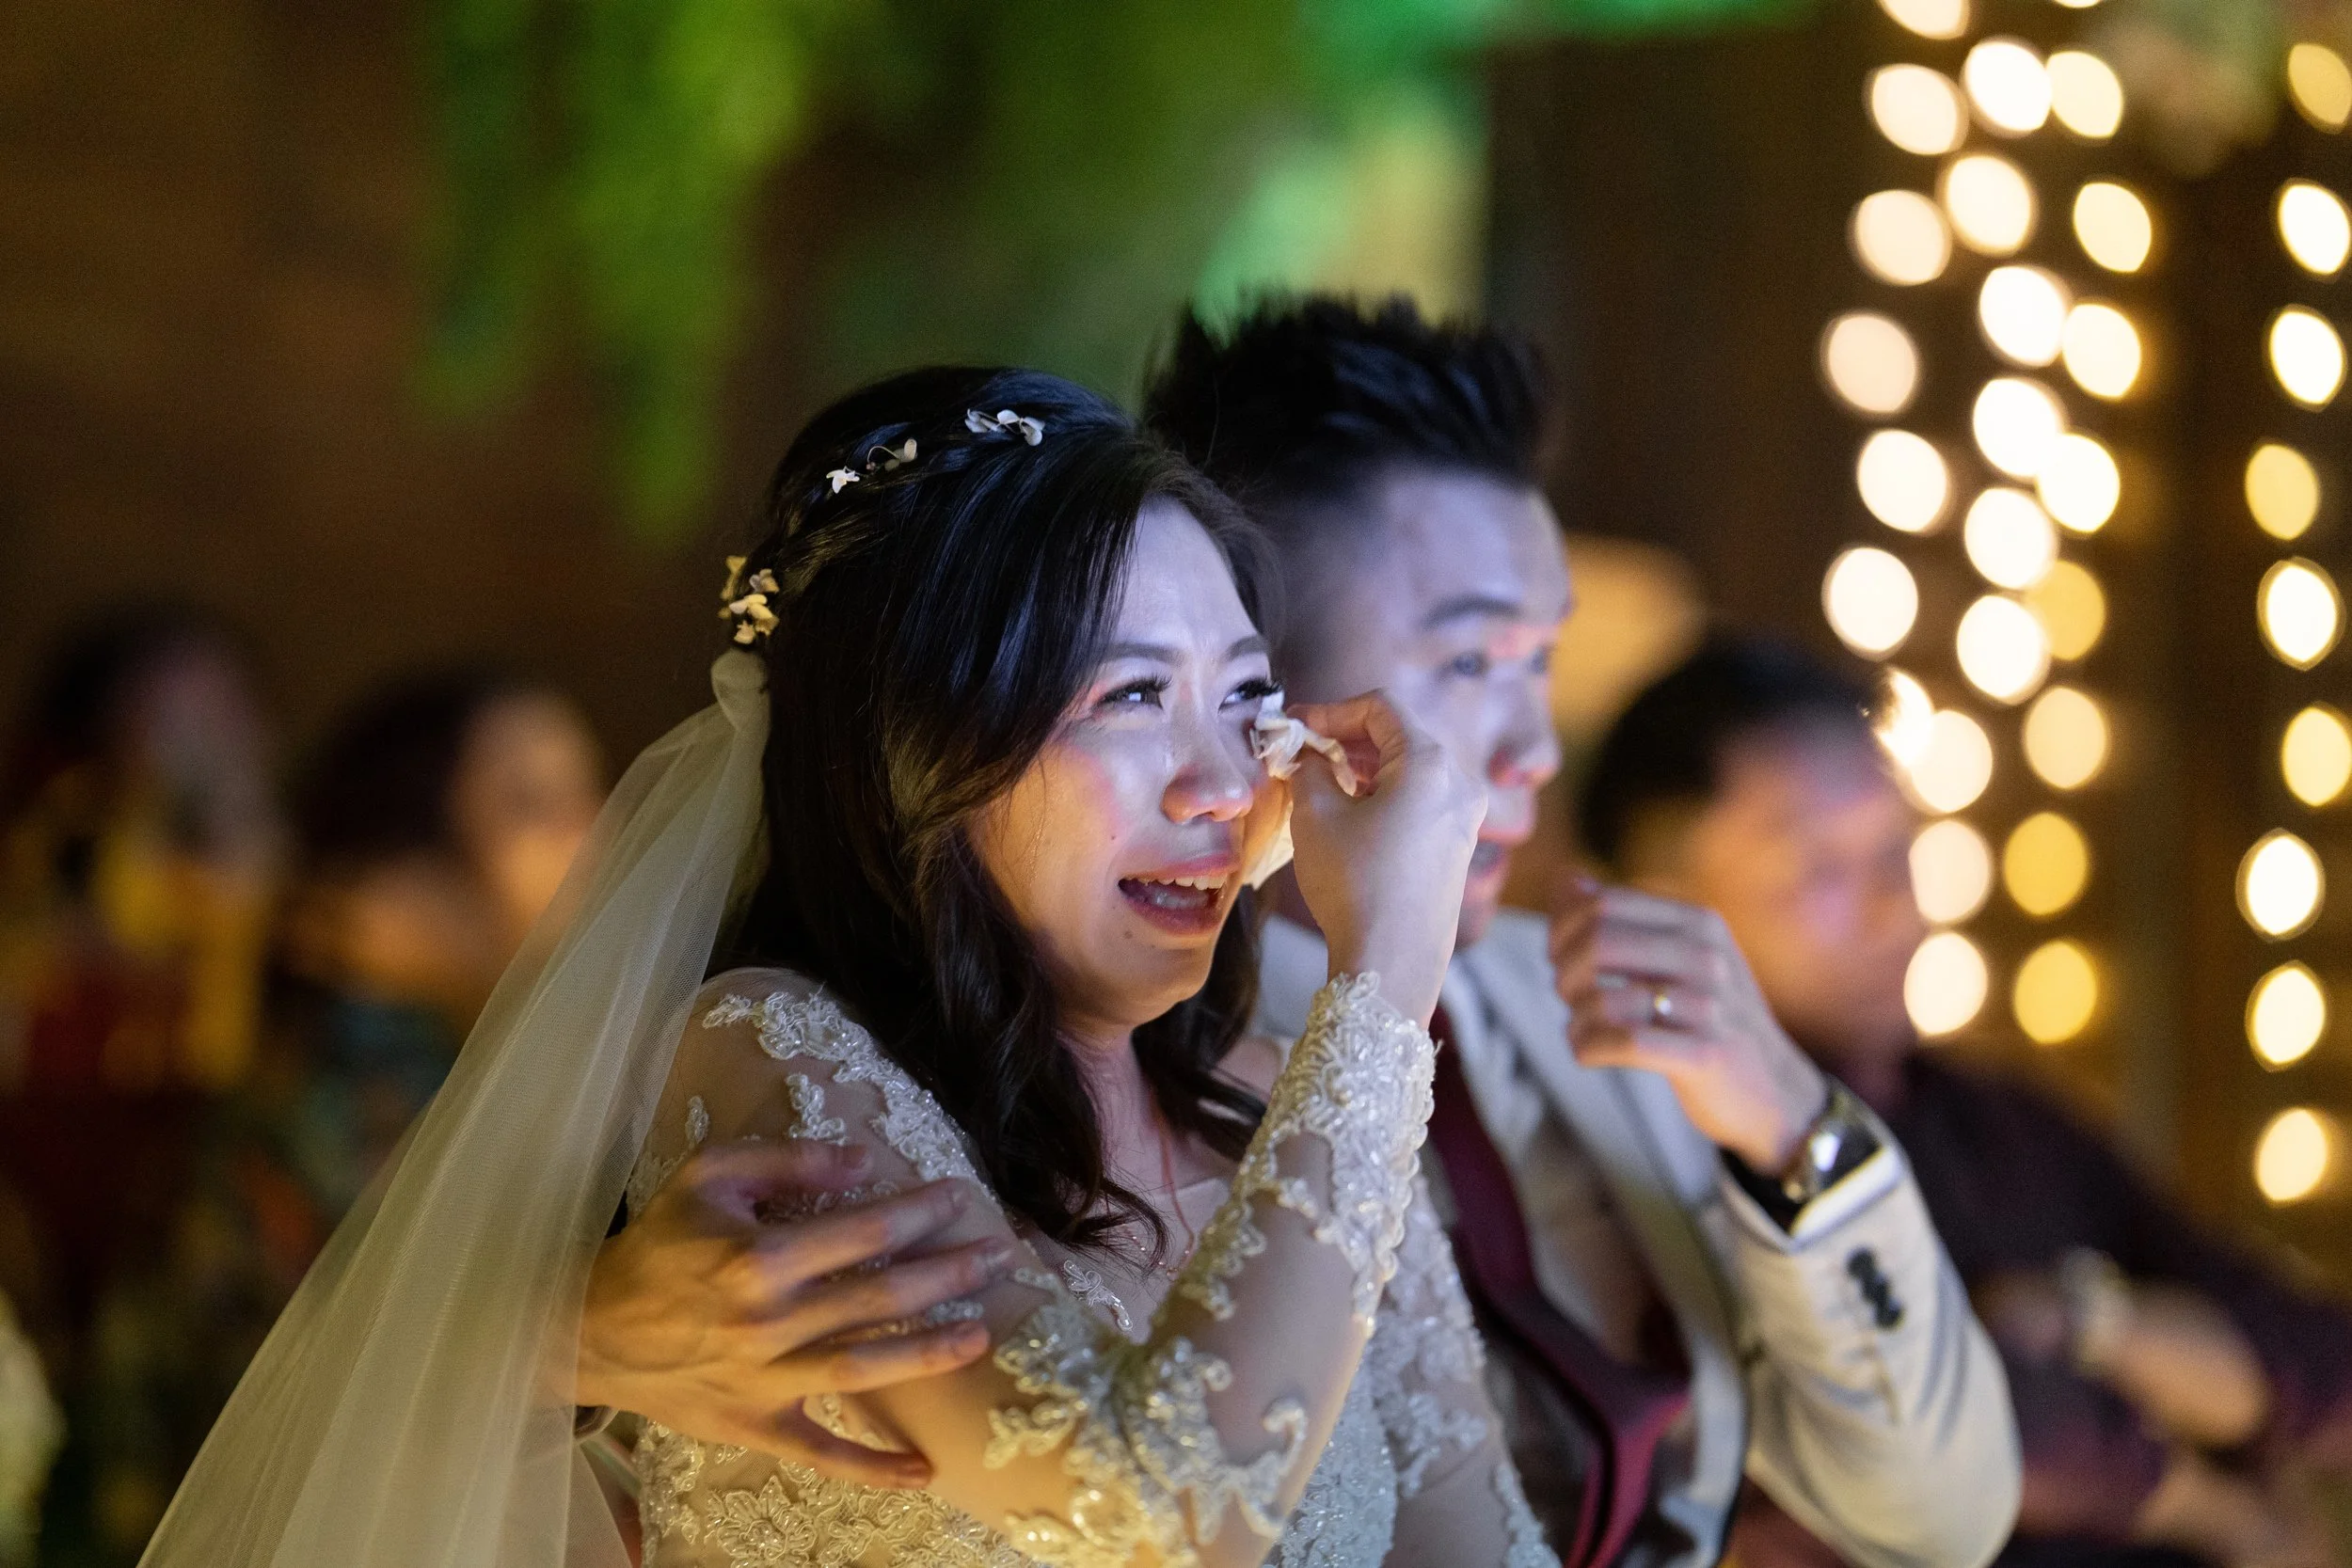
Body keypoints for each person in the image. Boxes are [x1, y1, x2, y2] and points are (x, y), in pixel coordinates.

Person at [141, 367, 1554, 1568]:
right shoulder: (778, 1051)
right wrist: (1388, 982)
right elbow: (1171, 1496)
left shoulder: (1286, 1102)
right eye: (1128, 694)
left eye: (1246, 697)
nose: (1217, 781)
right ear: (912, 754)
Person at [1140, 297, 2019, 1568]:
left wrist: (1786, 1118)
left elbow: (1944, 1513)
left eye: (1540, 663)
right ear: (1257, 679)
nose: (1537, 749)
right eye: (1469, 662)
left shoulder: (1568, 1000)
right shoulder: (1118, 1054)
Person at [1578, 637, 2352, 1568]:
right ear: (1657, 910)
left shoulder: (1998, 1117)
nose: (1894, 910)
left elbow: (2324, 1363)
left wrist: (2082, 1319)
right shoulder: (1650, 1150)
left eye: (1897, 851)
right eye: (1820, 870)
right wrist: (2209, 1504)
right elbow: (1959, 1442)